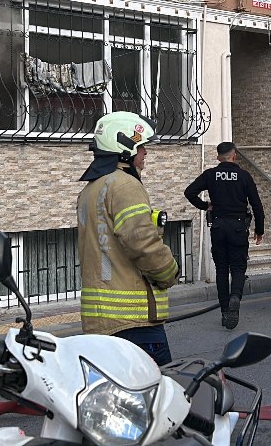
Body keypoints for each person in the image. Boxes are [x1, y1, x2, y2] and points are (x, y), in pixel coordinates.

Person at [78, 111, 180, 365]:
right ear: (123, 147)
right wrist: (169, 273)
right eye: (141, 146)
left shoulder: (90, 190)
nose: (145, 153)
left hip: (101, 322)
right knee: (161, 396)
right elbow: (141, 241)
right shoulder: (124, 185)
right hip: (134, 322)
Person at [185, 142, 265, 329]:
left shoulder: (211, 175)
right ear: (234, 155)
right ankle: (235, 297)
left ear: (218, 156)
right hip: (238, 227)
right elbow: (257, 205)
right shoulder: (244, 176)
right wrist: (259, 230)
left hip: (219, 226)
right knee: (238, 268)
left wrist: (205, 206)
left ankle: (224, 312)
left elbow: (189, 192)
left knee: (221, 270)